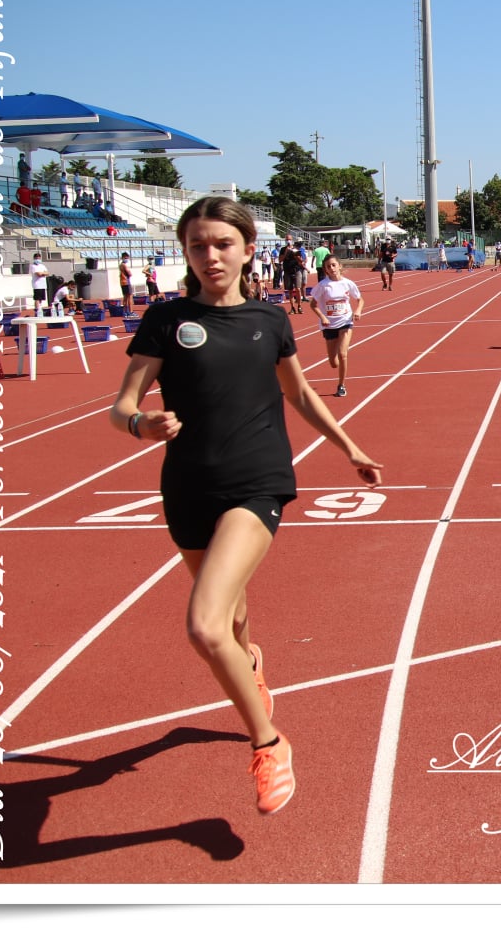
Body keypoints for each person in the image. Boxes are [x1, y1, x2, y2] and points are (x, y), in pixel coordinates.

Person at [109, 196, 382, 816]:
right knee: (231, 620)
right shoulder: (165, 321)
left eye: (222, 244)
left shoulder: (269, 320)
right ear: (185, 252)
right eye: (198, 245)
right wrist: (139, 426)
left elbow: (302, 394)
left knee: (205, 624)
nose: (211, 256)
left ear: (248, 249)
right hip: (186, 487)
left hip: (257, 482)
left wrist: (350, 448)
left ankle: (269, 741)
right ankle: (252, 662)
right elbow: (121, 404)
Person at [309, 255, 364, 398]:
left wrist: (358, 310)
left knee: (343, 354)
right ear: (325, 270)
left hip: (346, 321)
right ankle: (339, 368)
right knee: (333, 363)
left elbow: (360, 299)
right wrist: (323, 317)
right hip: (329, 325)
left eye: (334, 265)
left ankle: (341, 385)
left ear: (339, 266)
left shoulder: (348, 283)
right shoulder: (323, 286)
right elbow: (313, 305)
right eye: (328, 266)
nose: (331, 268)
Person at [280, 243, 306, 314]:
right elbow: (280, 260)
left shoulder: (296, 249)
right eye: (287, 239)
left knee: (298, 289)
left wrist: (296, 255)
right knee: (290, 290)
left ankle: (299, 306)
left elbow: (300, 261)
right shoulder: (283, 249)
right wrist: (286, 252)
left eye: (290, 239)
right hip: (287, 271)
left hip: (296, 270)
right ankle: (292, 308)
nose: (288, 241)